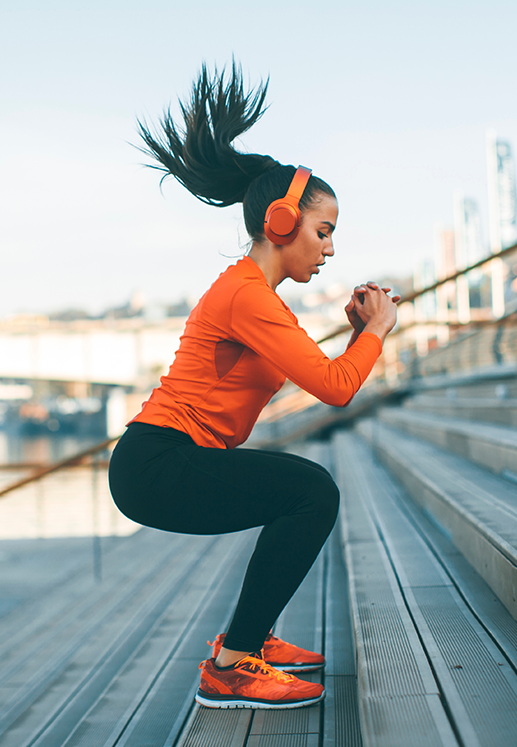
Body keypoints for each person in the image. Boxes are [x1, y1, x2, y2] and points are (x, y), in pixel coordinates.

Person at [108, 64, 398, 711]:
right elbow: (335, 389)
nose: (328, 250)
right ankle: (233, 666)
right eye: (323, 232)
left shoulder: (257, 298)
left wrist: (358, 337)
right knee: (311, 492)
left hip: (169, 458)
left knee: (300, 492)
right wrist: (378, 329)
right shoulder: (247, 296)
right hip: (157, 462)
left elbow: (327, 373)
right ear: (280, 221)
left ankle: (247, 644)